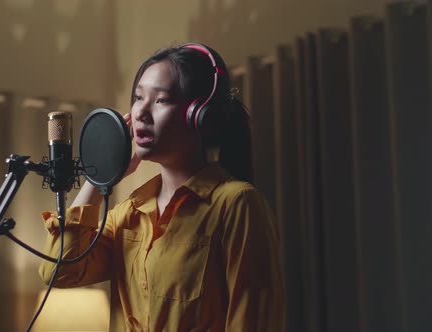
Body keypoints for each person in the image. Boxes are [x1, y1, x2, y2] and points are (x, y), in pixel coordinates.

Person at [38, 43, 284, 331]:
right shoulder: (129, 213)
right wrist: (100, 175)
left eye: (161, 100)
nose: (141, 112)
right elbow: (59, 272)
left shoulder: (237, 204)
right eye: (138, 97)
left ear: (198, 114)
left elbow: (252, 320)